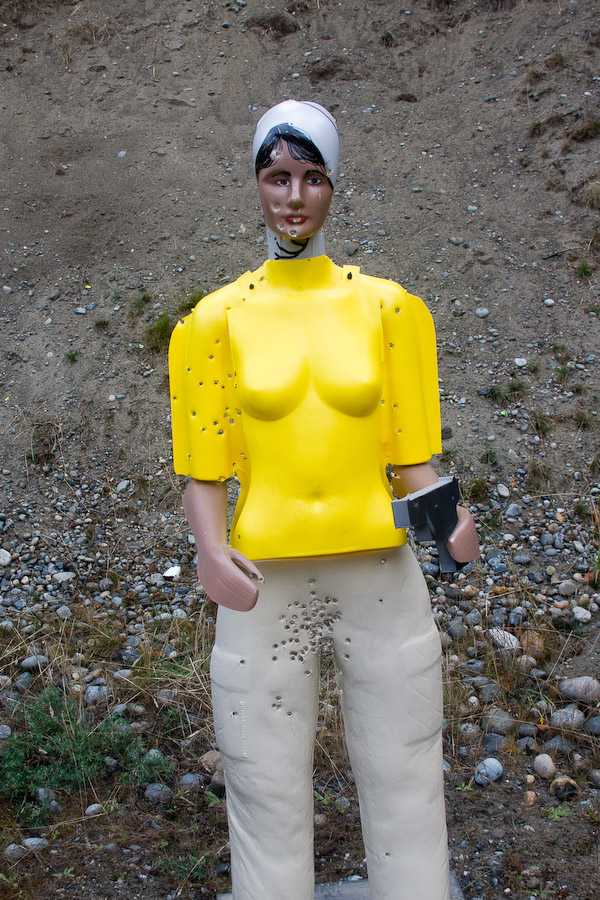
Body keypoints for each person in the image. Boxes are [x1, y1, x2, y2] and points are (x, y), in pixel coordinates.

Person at [169, 100, 479, 900]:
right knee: (263, 782)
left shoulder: (390, 309)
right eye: (278, 177)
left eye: (312, 178)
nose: (294, 197)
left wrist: (450, 518)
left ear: (334, 186)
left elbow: (412, 453)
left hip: (379, 574)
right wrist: (209, 549)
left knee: (406, 769)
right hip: (263, 582)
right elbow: (203, 467)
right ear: (257, 184)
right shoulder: (213, 321)